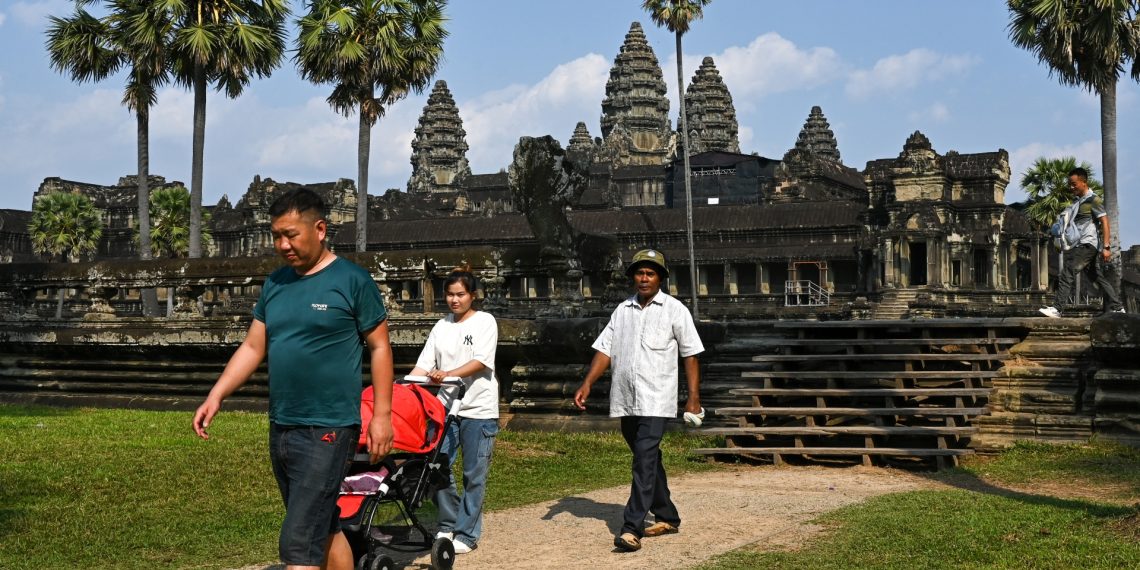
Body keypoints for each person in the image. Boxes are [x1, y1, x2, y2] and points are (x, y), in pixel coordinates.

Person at [192, 188, 395, 570]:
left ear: (320, 229)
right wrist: (216, 394)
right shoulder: (277, 283)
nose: (283, 244)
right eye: (276, 236)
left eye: (291, 235)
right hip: (283, 424)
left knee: (298, 542)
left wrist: (382, 415)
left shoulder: (352, 281)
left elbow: (380, 347)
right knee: (323, 525)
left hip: (329, 426)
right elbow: (253, 347)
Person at [573, 248, 704, 553]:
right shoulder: (622, 310)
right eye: (639, 273)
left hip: (657, 397)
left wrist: (693, 398)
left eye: (650, 273)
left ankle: (632, 527)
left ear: (661, 278)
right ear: (633, 277)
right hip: (626, 397)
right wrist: (588, 383)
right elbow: (605, 349)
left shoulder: (675, 310)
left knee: (643, 458)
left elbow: (691, 354)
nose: (644, 278)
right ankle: (668, 514)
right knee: (648, 457)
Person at [408, 266, 499, 554]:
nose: (454, 300)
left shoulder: (485, 322)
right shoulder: (441, 326)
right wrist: (405, 388)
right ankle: (447, 524)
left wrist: (446, 373)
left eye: (460, 294)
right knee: (437, 466)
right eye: (449, 294)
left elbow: (481, 362)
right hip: (446, 409)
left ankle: (467, 534)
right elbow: (423, 365)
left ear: (473, 295)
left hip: (479, 409)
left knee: (474, 473)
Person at [1039, 167, 1125, 317]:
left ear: (1084, 182)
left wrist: (1106, 247)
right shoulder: (1079, 201)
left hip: (1087, 244)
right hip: (1082, 244)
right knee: (1096, 277)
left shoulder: (1094, 200)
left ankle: (1058, 309)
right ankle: (1118, 307)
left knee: (1068, 272)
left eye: (1074, 184)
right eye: (1069, 184)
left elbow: (1104, 222)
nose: (1071, 187)